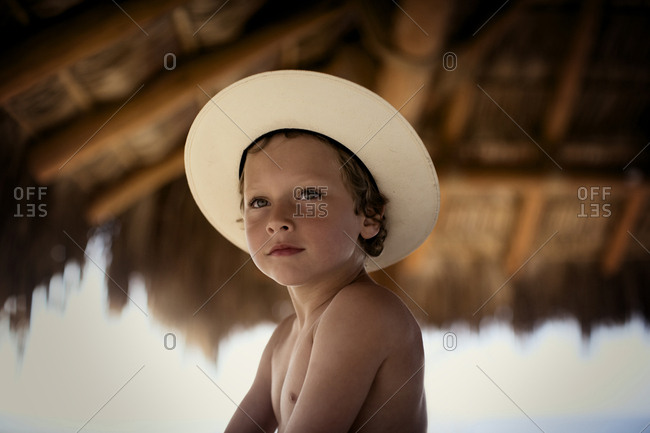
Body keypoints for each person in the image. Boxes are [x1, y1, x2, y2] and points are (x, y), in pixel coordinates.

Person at [185, 70, 440, 432]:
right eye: (259, 201)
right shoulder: (282, 341)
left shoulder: (364, 312)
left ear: (368, 217)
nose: (278, 219)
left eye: (309, 196)